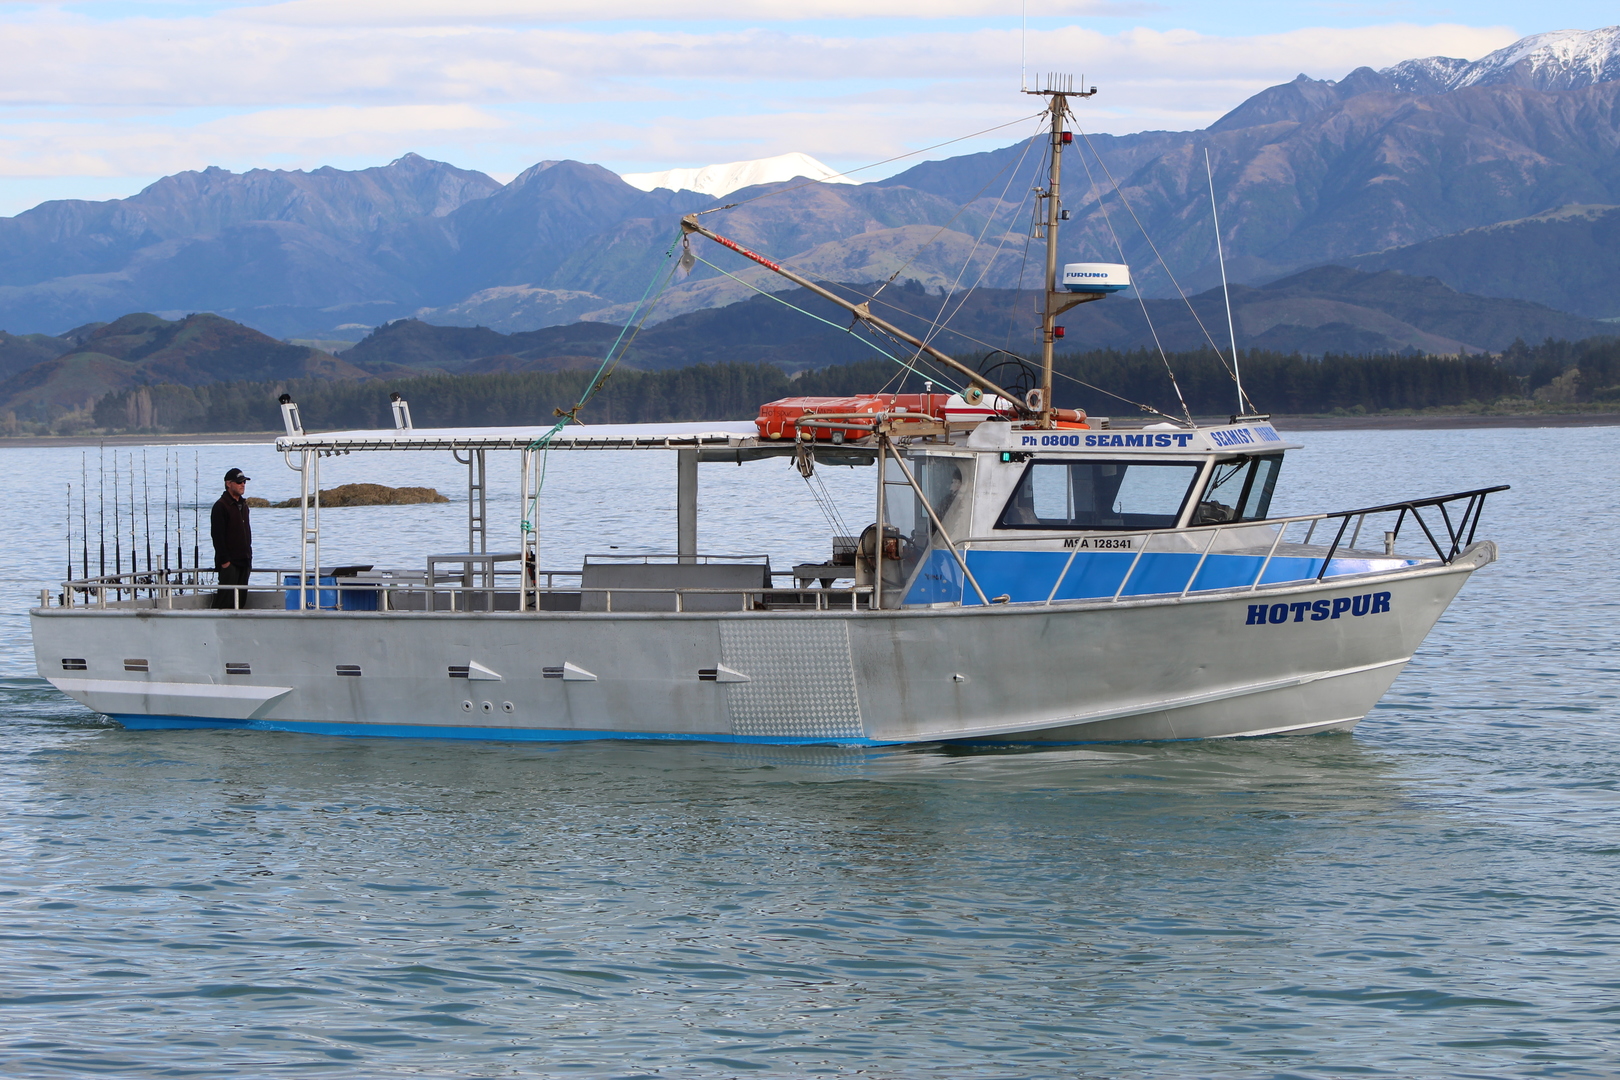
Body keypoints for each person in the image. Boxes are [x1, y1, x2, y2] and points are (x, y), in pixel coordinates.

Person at [211, 467, 253, 609]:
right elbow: (217, 536)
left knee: (241, 601)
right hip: (230, 563)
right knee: (226, 601)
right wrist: (225, 561)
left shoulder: (244, 505)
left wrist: (249, 556)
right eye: (239, 482)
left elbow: (247, 532)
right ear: (228, 483)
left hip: (244, 560)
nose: (242, 485)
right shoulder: (221, 506)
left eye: (244, 482)